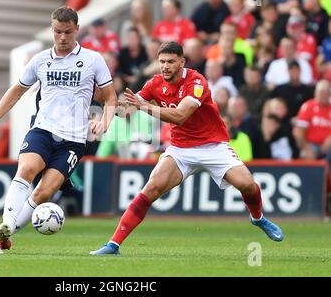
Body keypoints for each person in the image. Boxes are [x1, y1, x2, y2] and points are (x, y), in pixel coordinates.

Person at [90, 41, 284, 256]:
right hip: (181, 149)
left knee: (247, 184)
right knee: (151, 188)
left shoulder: (196, 81)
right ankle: (113, 244)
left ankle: (257, 218)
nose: (165, 66)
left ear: (182, 62)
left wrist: (144, 106)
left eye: (171, 62)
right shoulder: (154, 83)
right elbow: (127, 108)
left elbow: (181, 116)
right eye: (162, 61)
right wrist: (104, 118)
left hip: (213, 146)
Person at [0, 7, 118, 254]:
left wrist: (103, 122)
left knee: (44, 192)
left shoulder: (93, 60)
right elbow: (17, 90)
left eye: (66, 32)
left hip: (73, 140)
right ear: (52, 30)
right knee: (26, 169)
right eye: (56, 32)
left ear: (76, 29)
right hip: (43, 129)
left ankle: (3, 237)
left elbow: (110, 98)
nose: (62, 37)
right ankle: (6, 227)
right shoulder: (41, 60)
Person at [294, 79, 331, 161]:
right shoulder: (308, 107)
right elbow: (299, 132)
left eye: (327, 92)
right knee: (306, 156)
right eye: (321, 92)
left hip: (328, 146)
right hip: (310, 145)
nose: (324, 95)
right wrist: (306, 148)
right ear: (315, 93)